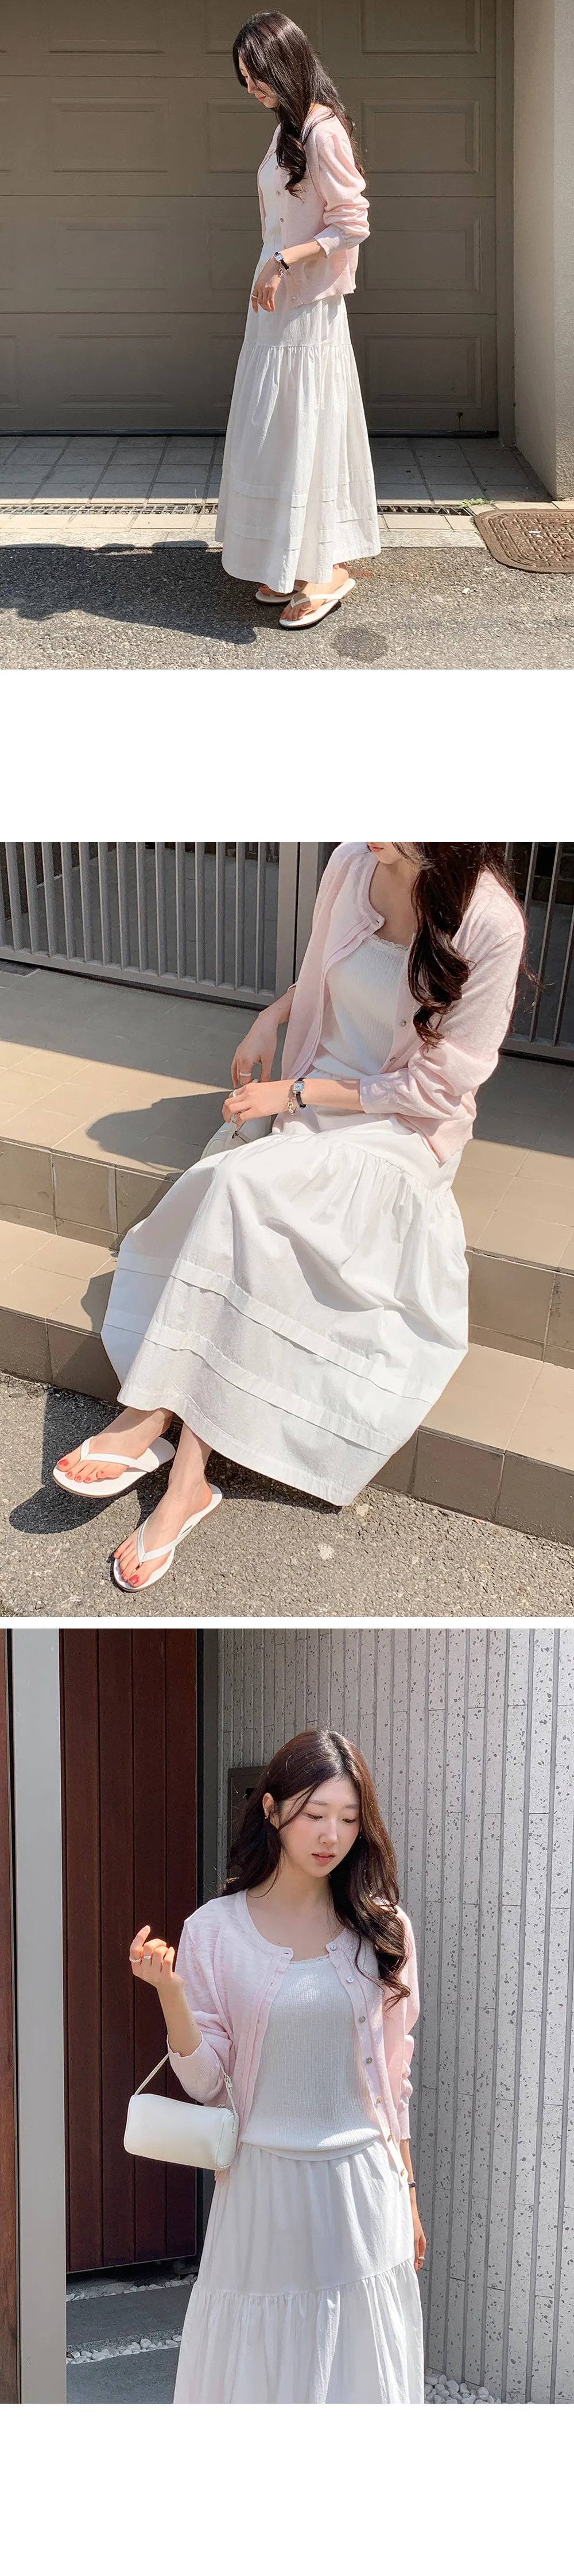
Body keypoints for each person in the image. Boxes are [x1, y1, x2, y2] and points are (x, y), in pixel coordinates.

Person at [53, 841, 526, 1592]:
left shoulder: (491, 922)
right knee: (247, 1204)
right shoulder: (352, 862)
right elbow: (327, 973)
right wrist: (271, 1017)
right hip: (317, 1096)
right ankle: (179, 1463)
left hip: (401, 1130)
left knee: (245, 1194)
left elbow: (435, 1091)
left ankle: (162, 1434)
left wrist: (295, 1093)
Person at [129, 1726, 426, 2404]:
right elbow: (207, 2081)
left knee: (358, 2380)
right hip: (262, 2189)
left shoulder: (385, 1929)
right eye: (314, 1813)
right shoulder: (215, 1929)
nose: (331, 1834)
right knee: (259, 2375)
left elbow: (395, 2076)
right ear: (271, 1809)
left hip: (362, 2189)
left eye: (348, 1817)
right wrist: (170, 1992)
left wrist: (408, 2194)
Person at [215, 10, 381, 629]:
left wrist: (284, 260)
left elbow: (352, 222)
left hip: (307, 308)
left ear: (286, 64)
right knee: (278, 429)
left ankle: (325, 571)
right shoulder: (288, 128)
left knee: (305, 427)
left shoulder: (322, 130)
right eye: (243, 78)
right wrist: (271, 265)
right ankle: (291, 558)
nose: (251, 88)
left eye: (256, 75)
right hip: (276, 306)